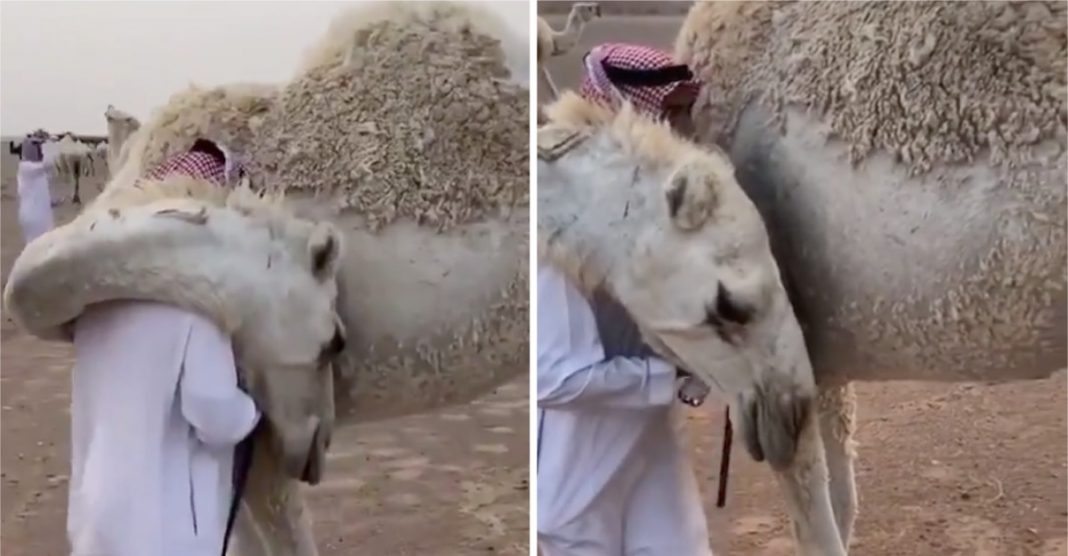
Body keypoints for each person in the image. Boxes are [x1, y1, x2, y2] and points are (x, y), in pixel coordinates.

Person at [537, 44, 714, 556]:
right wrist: (670, 375)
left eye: (686, 110)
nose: (685, 126)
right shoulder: (559, 217)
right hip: (578, 473)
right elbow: (556, 377)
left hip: (652, 445)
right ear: (635, 112)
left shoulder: (661, 209)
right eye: (673, 111)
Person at [66, 141, 260, 556]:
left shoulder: (93, 306)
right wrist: (254, 411)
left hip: (95, 516)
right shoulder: (194, 306)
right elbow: (214, 413)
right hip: (166, 528)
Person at [14, 131, 55, 243]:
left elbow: (40, 189)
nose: (40, 151)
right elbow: (49, 164)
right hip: (34, 216)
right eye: (38, 148)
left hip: (39, 214)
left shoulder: (34, 169)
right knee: (38, 247)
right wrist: (49, 146)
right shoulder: (26, 167)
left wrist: (51, 201)